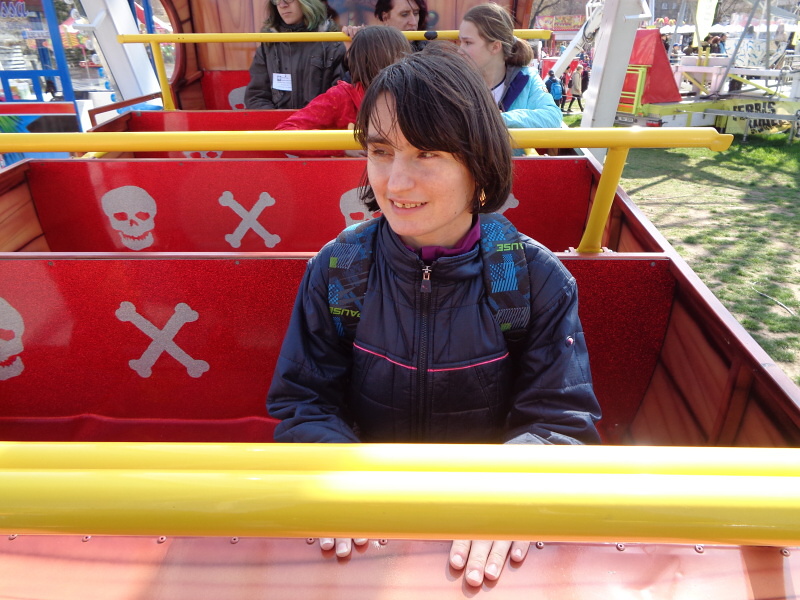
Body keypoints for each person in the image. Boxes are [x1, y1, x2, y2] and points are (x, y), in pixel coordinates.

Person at [267, 48, 601, 587]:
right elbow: (303, 402)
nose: (396, 183)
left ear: (479, 163)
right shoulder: (339, 269)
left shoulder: (534, 281)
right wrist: (343, 478)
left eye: (427, 153)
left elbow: (560, 422)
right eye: (381, 151)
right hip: (364, 520)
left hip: (477, 522)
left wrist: (508, 492)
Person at [274, 26, 411, 156]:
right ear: (373, 61)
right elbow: (283, 134)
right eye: (399, 56)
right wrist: (342, 147)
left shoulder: (413, 94)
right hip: (353, 172)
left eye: (405, 56)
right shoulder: (341, 97)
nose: (406, 64)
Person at [458, 3, 562, 130]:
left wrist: (500, 119)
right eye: (460, 42)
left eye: (468, 42)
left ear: (495, 47)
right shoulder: (454, 82)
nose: (459, 51)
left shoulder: (527, 78)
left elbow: (553, 117)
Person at [244, 0, 346, 109]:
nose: (282, 5)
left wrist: (308, 118)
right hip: (279, 119)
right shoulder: (269, 45)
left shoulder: (333, 43)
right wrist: (277, 118)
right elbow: (256, 96)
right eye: (277, 0)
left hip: (319, 118)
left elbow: (340, 97)